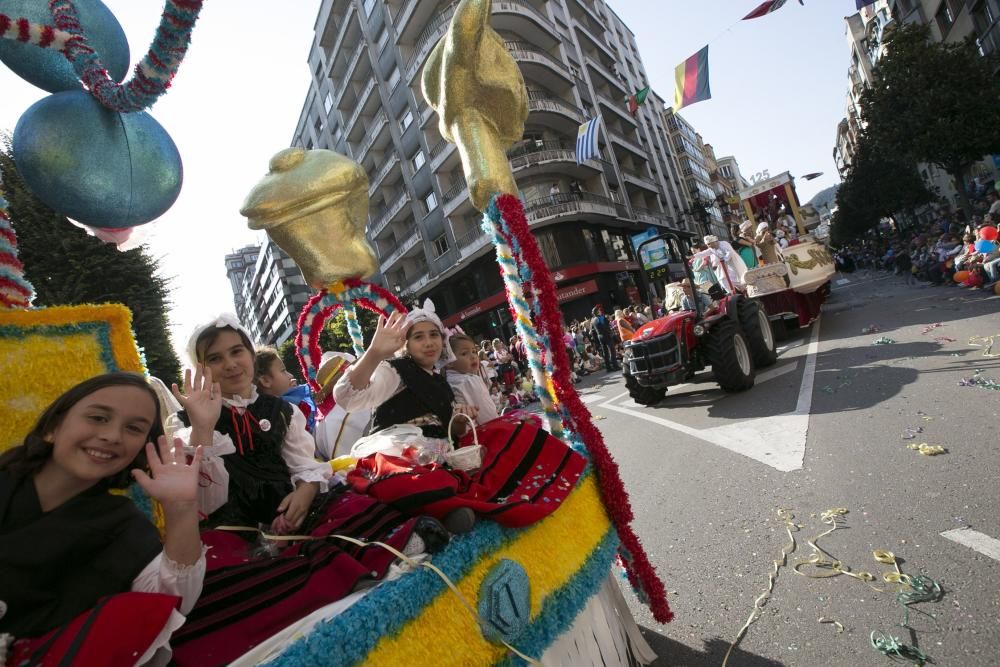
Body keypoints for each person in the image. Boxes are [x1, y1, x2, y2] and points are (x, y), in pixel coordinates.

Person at [166, 315, 439, 665]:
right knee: (224, 575)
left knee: (346, 506)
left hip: (292, 504)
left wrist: (306, 491)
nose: (231, 364)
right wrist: (202, 429)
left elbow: (304, 465)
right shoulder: (185, 422)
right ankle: (309, 592)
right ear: (200, 369)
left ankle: (385, 547)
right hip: (233, 526)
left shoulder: (282, 411)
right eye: (215, 359)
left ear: (251, 354)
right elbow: (203, 500)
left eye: (237, 351)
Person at [0, 372, 205, 665]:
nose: (112, 436)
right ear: (54, 425)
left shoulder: (124, 525)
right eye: (98, 418)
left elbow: (174, 602)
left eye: (134, 428)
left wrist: (181, 510)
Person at [446, 333, 500, 423]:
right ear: (449, 361)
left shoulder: (448, 380)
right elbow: (486, 412)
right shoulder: (469, 380)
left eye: (474, 351)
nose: (473, 356)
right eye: (464, 353)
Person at [589, 305, 620, 371]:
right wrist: (610, 333)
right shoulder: (602, 317)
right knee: (612, 350)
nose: (600, 311)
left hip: (600, 337)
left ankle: (608, 367)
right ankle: (615, 366)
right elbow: (606, 327)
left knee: (605, 352)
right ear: (597, 312)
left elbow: (592, 331)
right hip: (606, 335)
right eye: (599, 310)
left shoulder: (593, 320)